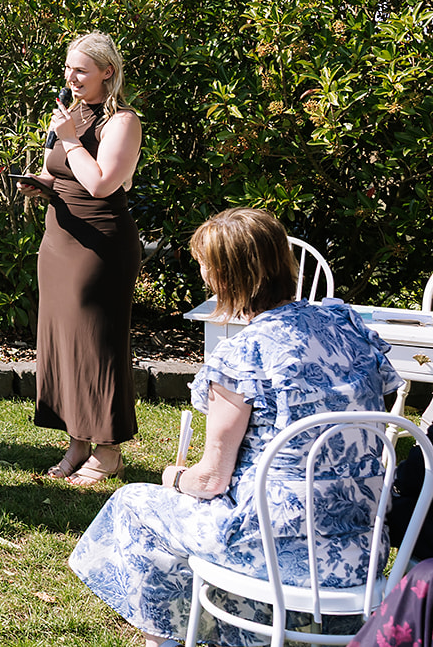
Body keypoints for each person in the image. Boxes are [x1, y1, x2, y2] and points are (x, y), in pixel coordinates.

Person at [68, 208, 403, 647]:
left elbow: (211, 479)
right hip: (361, 549)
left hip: (274, 550)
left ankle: (164, 641)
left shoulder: (244, 354)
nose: (203, 275)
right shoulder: (346, 326)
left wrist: (175, 477)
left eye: (204, 266)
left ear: (225, 277)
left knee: (133, 505)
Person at [17, 31, 142, 485]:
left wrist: (69, 139)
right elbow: (59, 173)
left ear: (108, 72)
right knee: (65, 345)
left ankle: (108, 451)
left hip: (100, 247)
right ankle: (77, 442)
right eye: (68, 68)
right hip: (59, 243)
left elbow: (102, 184)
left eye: (81, 70)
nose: (71, 77)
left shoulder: (123, 122)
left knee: (97, 347)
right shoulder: (68, 116)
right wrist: (39, 184)